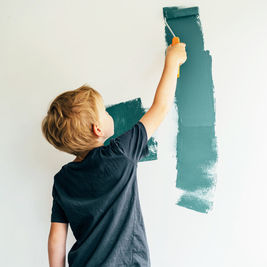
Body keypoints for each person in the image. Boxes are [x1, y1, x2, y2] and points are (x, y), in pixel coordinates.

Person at [42, 41, 187, 267]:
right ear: (97, 129)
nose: (109, 113)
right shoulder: (121, 153)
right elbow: (160, 107)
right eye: (104, 111)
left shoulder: (62, 180)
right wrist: (172, 61)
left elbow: (56, 238)